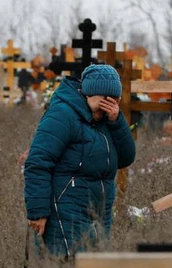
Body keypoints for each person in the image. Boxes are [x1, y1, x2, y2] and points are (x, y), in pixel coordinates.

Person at [23, 64, 136, 257]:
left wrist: (117, 122)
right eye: (104, 97)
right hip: (65, 213)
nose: (109, 103)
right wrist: (38, 212)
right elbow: (38, 162)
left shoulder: (107, 121)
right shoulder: (63, 115)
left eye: (114, 99)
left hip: (98, 216)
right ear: (89, 93)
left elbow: (125, 158)